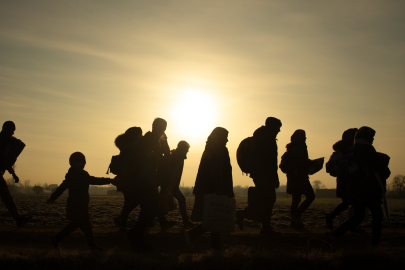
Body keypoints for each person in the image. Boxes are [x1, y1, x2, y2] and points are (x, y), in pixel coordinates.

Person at [326, 127, 390, 246]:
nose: (372, 140)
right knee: (377, 215)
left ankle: (334, 234)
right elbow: (382, 169)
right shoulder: (367, 149)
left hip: (353, 188)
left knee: (358, 216)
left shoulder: (352, 149)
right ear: (367, 137)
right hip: (368, 189)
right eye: (372, 137)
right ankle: (375, 244)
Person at [47, 152, 113, 250]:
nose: (82, 164)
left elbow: (62, 187)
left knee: (78, 225)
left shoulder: (71, 175)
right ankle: (92, 246)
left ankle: (57, 239)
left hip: (77, 205)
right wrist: (110, 180)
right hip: (77, 206)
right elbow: (94, 180)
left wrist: (53, 197)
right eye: (79, 162)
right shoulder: (80, 175)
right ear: (73, 163)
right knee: (84, 226)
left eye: (83, 162)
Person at [185, 127, 234, 250]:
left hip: (207, 188)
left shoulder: (211, 148)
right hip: (213, 189)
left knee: (214, 217)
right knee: (214, 217)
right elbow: (216, 170)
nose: (227, 139)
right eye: (225, 137)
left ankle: (214, 243)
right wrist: (220, 189)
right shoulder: (218, 149)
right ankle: (191, 235)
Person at [125, 118, 168, 252]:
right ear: (156, 128)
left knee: (150, 210)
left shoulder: (152, 140)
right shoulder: (148, 141)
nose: (163, 131)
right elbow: (159, 158)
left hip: (147, 180)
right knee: (151, 209)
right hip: (145, 181)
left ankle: (135, 236)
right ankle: (136, 237)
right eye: (162, 128)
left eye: (164, 129)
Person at [236, 117, 282, 235]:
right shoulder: (268, 140)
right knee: (268, 200)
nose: (279, 131)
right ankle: (262, 226)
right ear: (272, 127)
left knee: (265, 201)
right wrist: (274, 178)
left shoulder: (259, 138)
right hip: (265, 175)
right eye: (278, 128)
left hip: (258, 174)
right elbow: (270, 162)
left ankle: (263, 226)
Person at [0, 121, 32, 227]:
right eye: (12, 130)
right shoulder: (3, 142)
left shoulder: (6, 142)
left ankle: (18, 219)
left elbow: (5, 162)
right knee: (7, 197)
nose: (13, 133)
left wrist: (13, 174)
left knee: (7, 197)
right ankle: (18, 220)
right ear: (6, 130)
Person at [325, 128, 358, 230]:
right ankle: (351, 225)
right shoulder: (348, 151)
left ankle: (333, 217)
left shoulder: (338, 151)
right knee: (353, 202)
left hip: (342, 180)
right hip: (349, 180)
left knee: (348, 202)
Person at [112, 127, 143, 229]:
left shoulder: (126, 145)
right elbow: (132, 162)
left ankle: (122, 222)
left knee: (128, 201)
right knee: (137, 199)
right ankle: (122, 219)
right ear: (135, 135)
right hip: (129, 178)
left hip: (125, 178)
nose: (141, 136)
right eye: (140, 134)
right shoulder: (131, 146)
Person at [158, 141, 194, 229]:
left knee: (161, 202)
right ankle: (185, 222)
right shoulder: (176, 157)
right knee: (179, 200)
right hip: (170, 185)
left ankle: (161, 221)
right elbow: (172, 173)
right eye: (187, 149)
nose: (187, 151)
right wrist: (170, 186)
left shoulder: (176, 156)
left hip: (170, 184)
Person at [285, 129, 315, 228]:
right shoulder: (301, 146)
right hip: (300, 177)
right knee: (310, 196)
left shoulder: (291, 147)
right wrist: (310, 163)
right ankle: (296, 217)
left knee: (296, 200)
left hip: (292, 177)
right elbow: (300, 161)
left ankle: (294, 222)